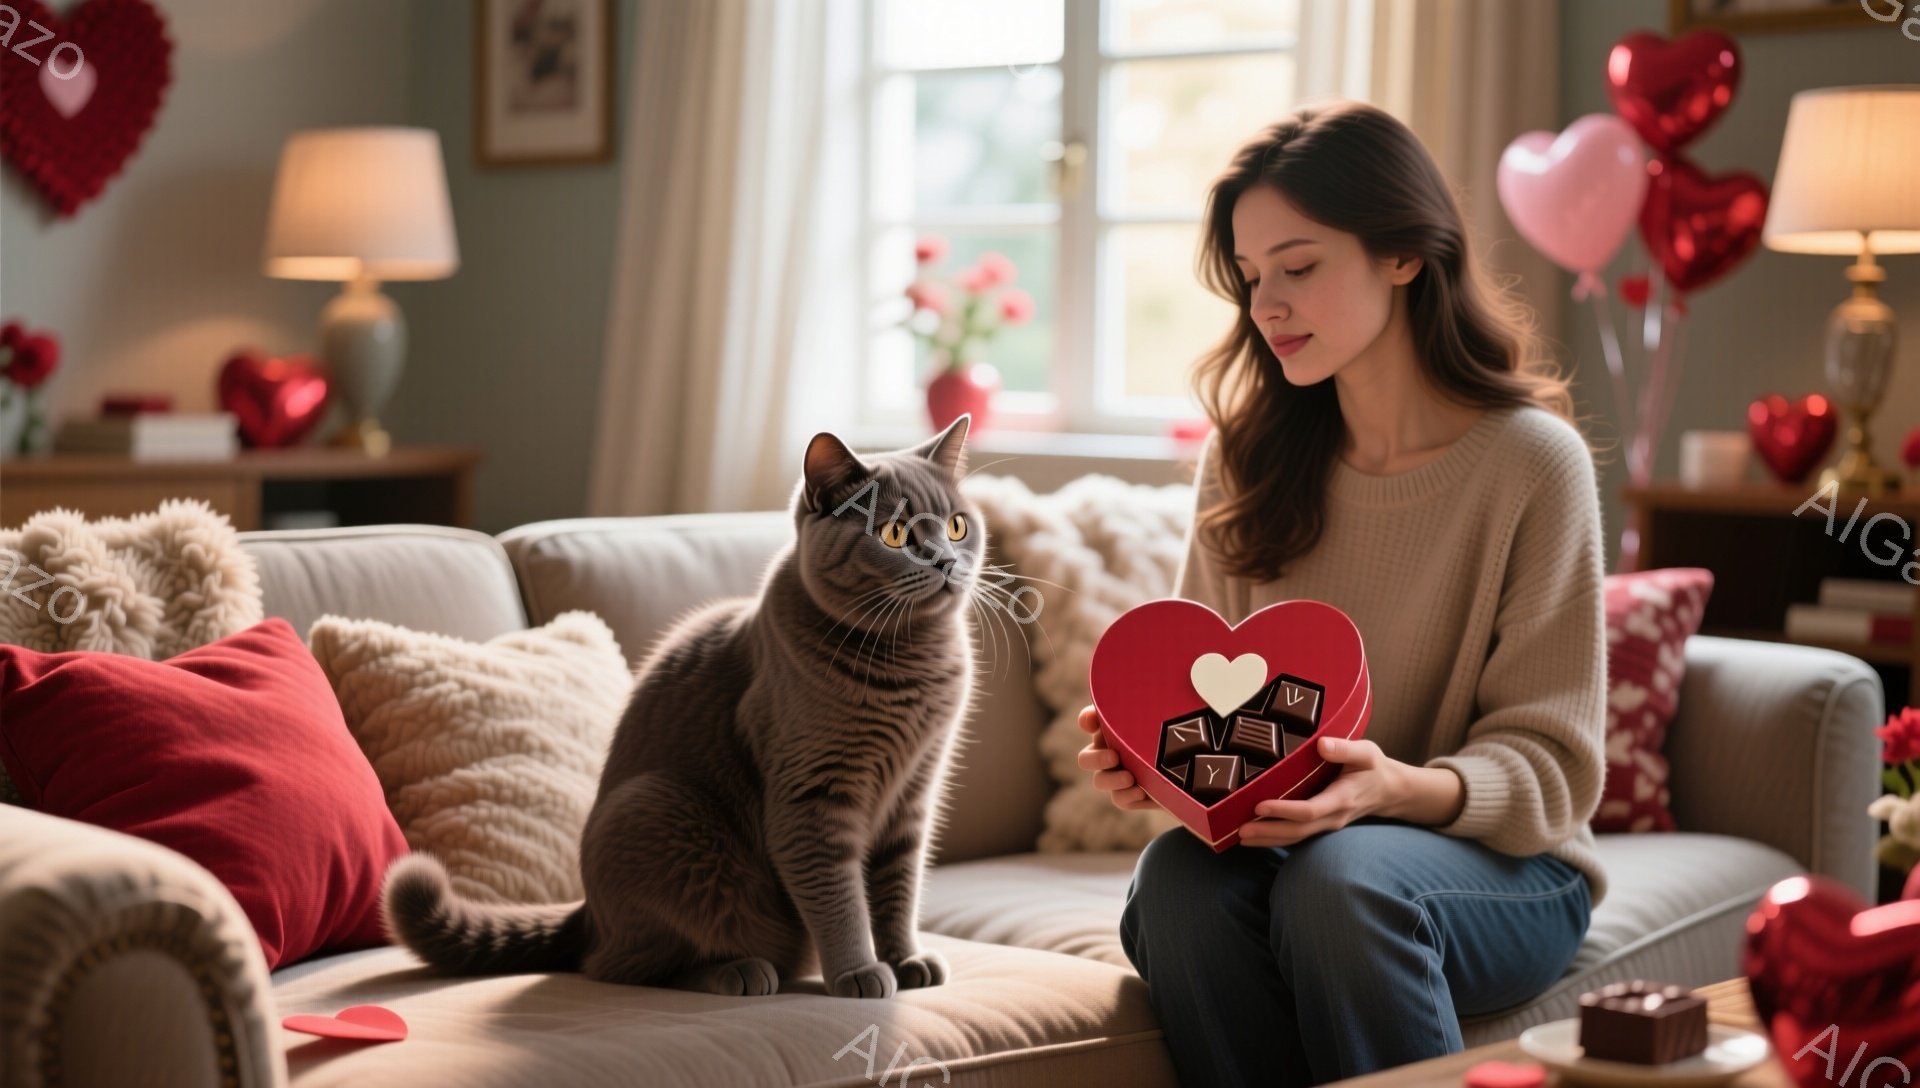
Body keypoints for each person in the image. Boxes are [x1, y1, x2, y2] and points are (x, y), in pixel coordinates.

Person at [1077, 100, 1608, 1088]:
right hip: (1300, 853)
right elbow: (1212, 709)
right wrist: (1159, 766)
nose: (1266, 302)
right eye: (1249, 276)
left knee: (1342, 880)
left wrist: (1394, 789)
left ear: (1402, 252)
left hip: (1499, 859)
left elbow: (1555, 766)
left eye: (1300, 264)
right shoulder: (1246, 460)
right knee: (1178, 884)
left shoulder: (1535, 464)